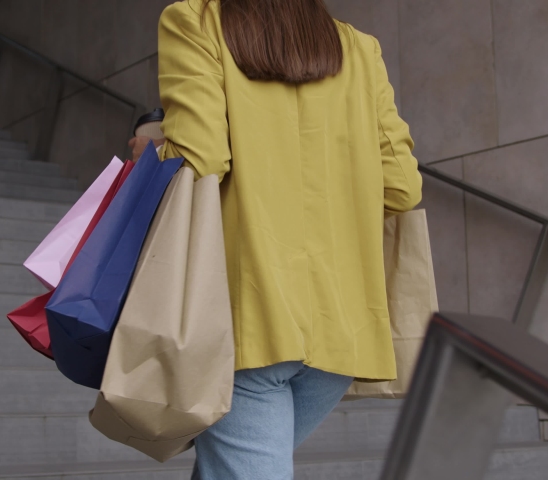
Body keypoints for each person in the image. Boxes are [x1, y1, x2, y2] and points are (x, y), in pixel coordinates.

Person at [130, 0, 422, 478]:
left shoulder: (194, 20)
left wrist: (154, 145)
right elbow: (403, 186)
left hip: (249, 320)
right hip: (342, 329)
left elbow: (200, 156)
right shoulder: (358, 47)